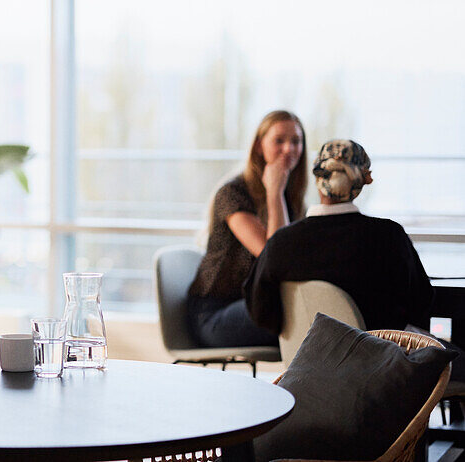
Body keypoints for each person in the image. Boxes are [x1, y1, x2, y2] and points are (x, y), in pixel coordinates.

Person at [244, 139, 433, 334]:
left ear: (318, 179)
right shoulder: (390, 237)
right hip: (381, 359)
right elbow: (421, 302)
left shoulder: (281, 243)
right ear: (363, 181)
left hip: (306, 359)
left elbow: (260, 310)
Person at [186, 110, 307, 348]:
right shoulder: (232, 193)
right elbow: (273, 257)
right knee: (304, 319)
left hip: (257, 306)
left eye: (296, 141)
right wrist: (274, 192)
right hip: (213, 315)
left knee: (313, 312)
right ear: (259, 146)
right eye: (279, 141)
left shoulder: (292, 199)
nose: (289, 149)